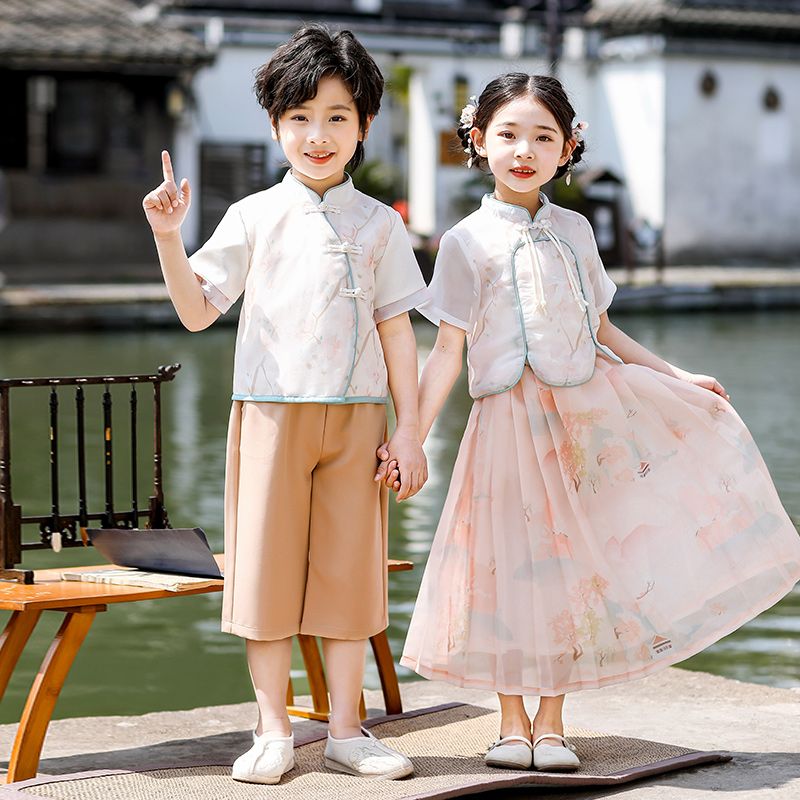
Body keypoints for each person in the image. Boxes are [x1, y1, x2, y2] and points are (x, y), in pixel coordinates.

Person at [378, 73, 800, 773]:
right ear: (478, 142)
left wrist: (674, 375)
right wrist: (410, 436)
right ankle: (510, 722)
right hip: (505, 427)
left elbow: (603, 328)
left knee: (573, 571)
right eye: (508, 134)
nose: (525, 150)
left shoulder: (574, 230)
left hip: (582, 424)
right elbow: (446, 351)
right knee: (510, 568)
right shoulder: (464, 242)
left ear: (567, 147)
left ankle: (553, 722)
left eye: (543, 136)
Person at [143, 24, 428, 785]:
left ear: (365, 124)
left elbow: (398, 332)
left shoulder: (381, 224)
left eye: (338, 116)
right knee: (264, 577)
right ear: (275, 125)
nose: (318, 134)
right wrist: (170, 238)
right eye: (300, 117)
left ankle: (345, 729)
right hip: (268, 413)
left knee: (349, 577)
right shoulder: (252, 215)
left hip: (361, 418)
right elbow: (199, 312)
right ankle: (272, 731)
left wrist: (412, 433)